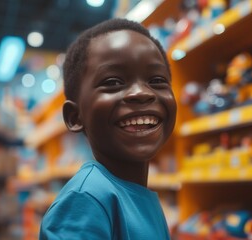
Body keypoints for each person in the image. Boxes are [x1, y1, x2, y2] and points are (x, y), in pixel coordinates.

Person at [39, 18, 177, 240]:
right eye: (113, 82)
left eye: (157, 80)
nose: (142, 93)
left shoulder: (140, 197)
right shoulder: (85, 200)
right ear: (75, 117)